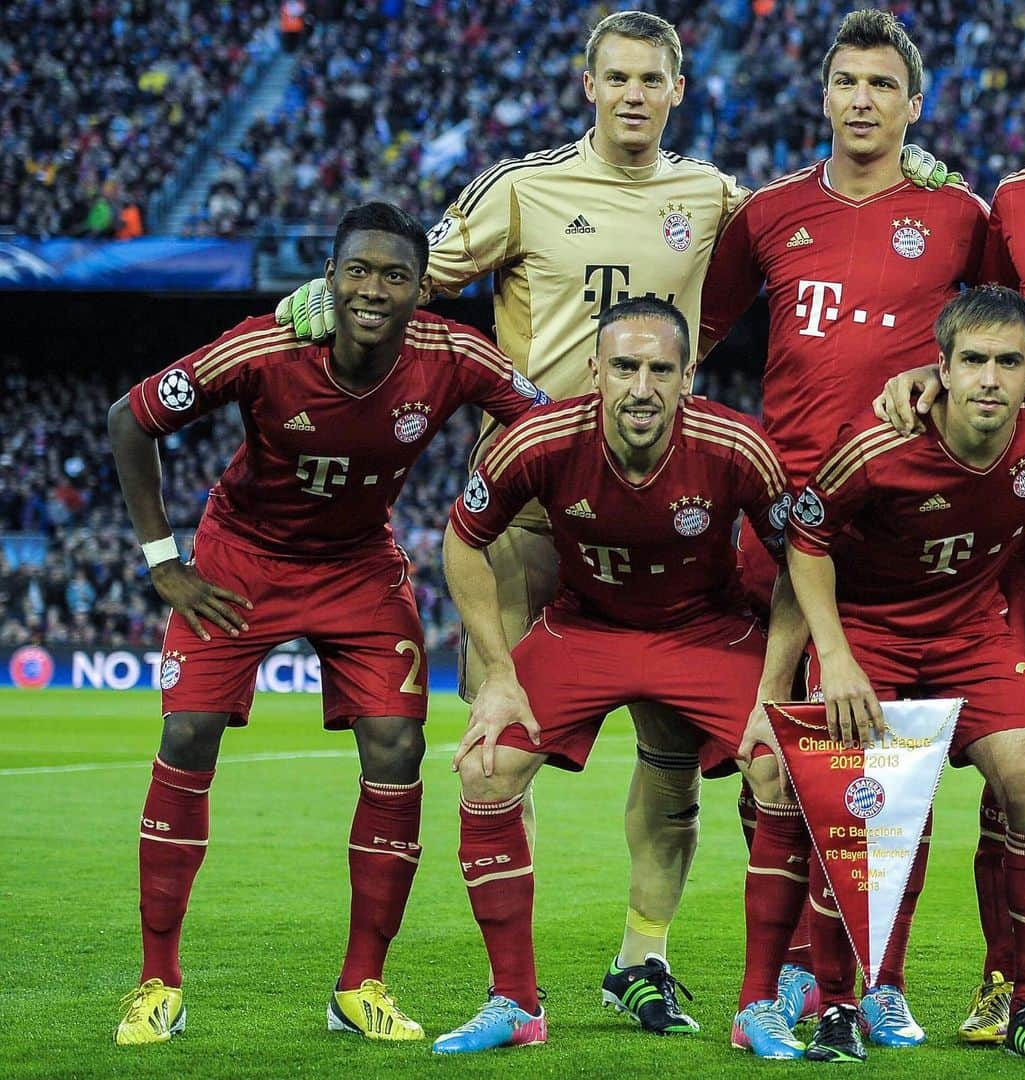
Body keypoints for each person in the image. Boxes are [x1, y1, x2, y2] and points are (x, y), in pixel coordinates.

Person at [278, 10, 748, 1034]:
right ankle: (513, 981)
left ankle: (643, 957)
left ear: (679, 89)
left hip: (671, 513)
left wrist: (910, 164)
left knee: (673, 757)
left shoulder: (715, 198)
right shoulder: (520, 188)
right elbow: (408, 274)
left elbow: (802, 245)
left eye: (651, 79)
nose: (632, 93)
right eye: (615, 76)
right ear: (588, 83)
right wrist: (324, 292)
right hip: (536, 509)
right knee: (503, 740)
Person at [107, 202, 546, 1046]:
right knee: (188, 732)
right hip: (241, 557)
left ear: (423, 290)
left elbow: (545, 419)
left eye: (394, 275)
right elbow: (132, 418)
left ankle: (360, 985)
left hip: (357, 565)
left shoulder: (451, 356)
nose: (373, 289)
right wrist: (164, 562)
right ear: (331, 275)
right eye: (358, 271)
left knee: (398, 744)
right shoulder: (265, 346)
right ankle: (157, 980)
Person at [698, 8, 987, 1046]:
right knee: (776, 767)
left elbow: (991, 338)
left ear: (915, 104)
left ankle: (879, 980)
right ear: (824, 95)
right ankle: (776, 981)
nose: (862, 100)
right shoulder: (768, 213)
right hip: (783, 526)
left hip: (900, 531)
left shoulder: (959, 215)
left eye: (883, 85)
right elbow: (697, 336)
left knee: (887, 772)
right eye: (846, 82)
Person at [432, 296, 806, 1055]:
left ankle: (760, 1004)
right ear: (594, 371)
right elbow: (462, 540)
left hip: (704, 629)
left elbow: (801, 560)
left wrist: (773, 693)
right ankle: (513, 1002)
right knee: (485, 765)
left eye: (661, 369)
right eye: (626, 367)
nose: (642, 388)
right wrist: (499, 674)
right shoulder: (536, 438)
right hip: (587, 626)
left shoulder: (737, 446)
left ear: (688, 375)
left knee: (780, 772)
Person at [778, 285, 1025, 1064]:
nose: (989, 379)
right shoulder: (878, 445)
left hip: (972, 629)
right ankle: (839, 1005)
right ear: (939, 370)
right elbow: (806, 540)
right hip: (871, 633)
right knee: (863, 811)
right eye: (971, 361)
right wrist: (833, 653)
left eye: (1008, 363)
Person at [872, 21, 1025, 1046]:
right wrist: (924, 370)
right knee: (1018, 775)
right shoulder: (1022, 204)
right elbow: (979, 326)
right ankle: (1007, 988)